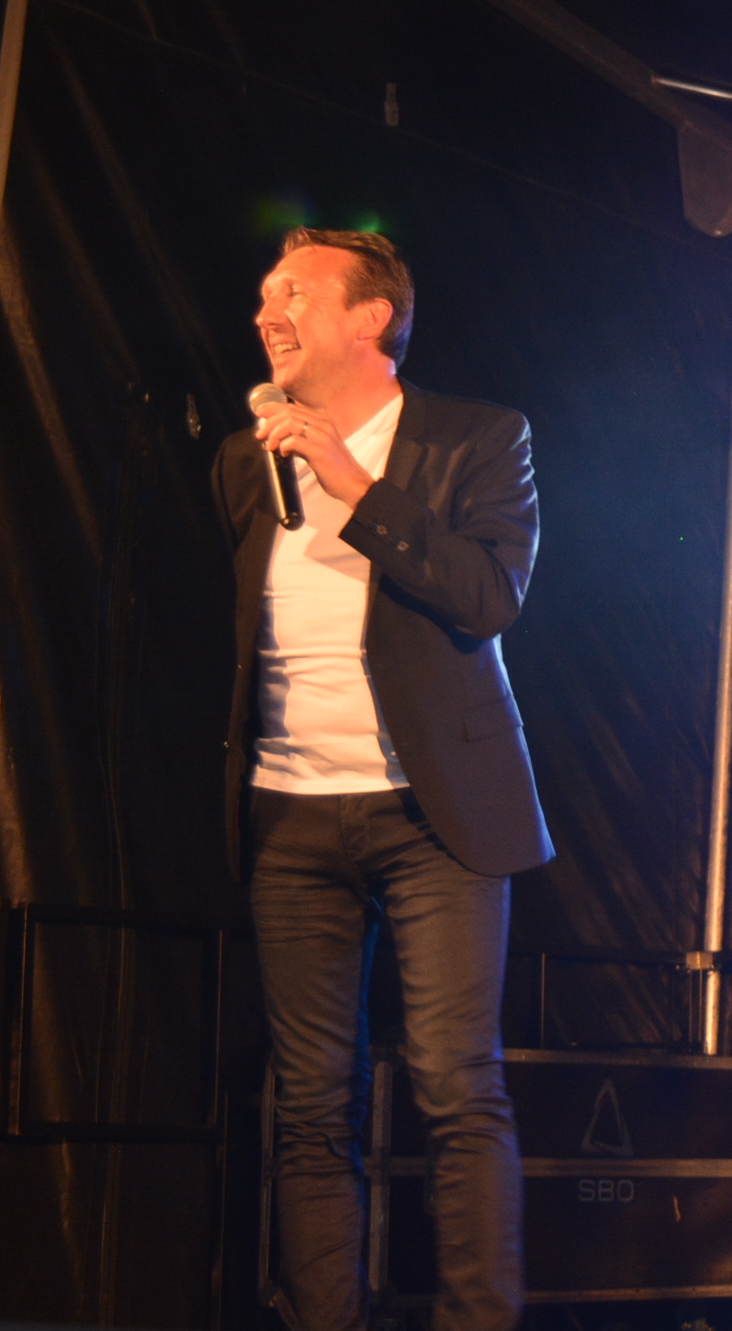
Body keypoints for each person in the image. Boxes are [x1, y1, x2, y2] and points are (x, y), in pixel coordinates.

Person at [218, 228, 552, 1331]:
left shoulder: (478, 437)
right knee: (311, 1102)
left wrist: (355, 483)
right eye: (262, 294)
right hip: (289, 815)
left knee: (456, 1086)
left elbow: (487, 597)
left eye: (293, 291)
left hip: (432, 816)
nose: (267, 310)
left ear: (371, 317)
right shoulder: (244, 459)